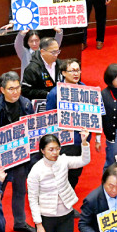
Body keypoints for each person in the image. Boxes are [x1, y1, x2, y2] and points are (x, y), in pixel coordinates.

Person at [28, 132, 92, 232]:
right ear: (42, 150)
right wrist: (38, 224)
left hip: (66, 215)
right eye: (50, 149)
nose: (55, 152)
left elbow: (84, 161)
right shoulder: (36, 171)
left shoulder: (63, 160)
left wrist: (84, 142)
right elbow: (32, 199)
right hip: (46, 218)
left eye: (57, 149)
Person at [0, 71, 36, 232]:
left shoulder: (26, 104)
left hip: (20, 156)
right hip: (1, 160)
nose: (15, 92)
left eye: (17, 87)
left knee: (20, 189)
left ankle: (20, 222)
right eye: (11, 88)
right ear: (2, 90)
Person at [47, 58, 98, 190]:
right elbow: (49, 118)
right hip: (63, 141)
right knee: (60, 174)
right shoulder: (55, 93)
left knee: (75, 173)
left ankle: (69, 194)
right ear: (63, 73)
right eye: (72, 71)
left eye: (78, 70)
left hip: (80, 140)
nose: (76, 73)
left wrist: (94, 137)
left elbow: (93, 115)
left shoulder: (86, 90)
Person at [21, 36, 61, 100]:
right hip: (41, 104)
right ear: (42, 52)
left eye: (58, 51)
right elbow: (26, 91)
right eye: (53, 52)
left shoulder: (60, 64)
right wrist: (47, 94)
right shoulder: (32, 69)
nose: (56, 55)